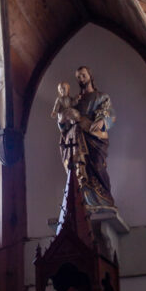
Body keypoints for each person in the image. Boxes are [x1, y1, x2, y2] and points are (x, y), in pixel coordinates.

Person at [58, 66, 115, 208]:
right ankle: (83, 199)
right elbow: (66, 126)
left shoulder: (101, 96)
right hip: (77, 140)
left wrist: (102, 121)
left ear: (90, 75)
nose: (81, 79)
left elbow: (110, 114)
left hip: (95, 139)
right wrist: (62, 121)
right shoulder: (75, 101)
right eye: (78, 77)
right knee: (77, 169)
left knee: (97, 165)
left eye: (83, 75)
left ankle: (103, 198)